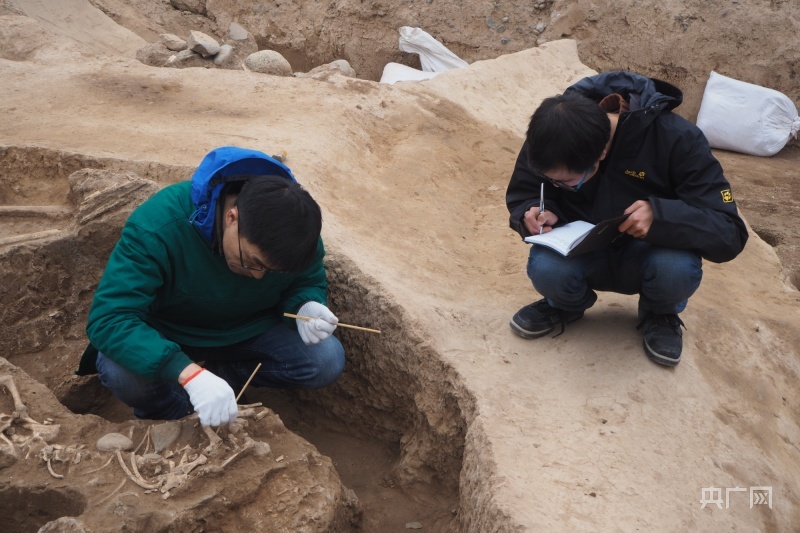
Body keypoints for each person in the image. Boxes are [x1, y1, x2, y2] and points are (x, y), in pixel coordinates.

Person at [77, 146, 345, 426]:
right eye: (252, 261)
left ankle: (221, 380)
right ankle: (177, 414)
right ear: (232, 217)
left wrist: (305, 305)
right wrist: (187, 373)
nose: (257, 277)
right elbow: (109, 319)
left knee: (326, 359)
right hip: (170, 334)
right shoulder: (159, 227)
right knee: (121, 371)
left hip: (249, 331)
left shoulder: (299, 235)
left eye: (271, 270)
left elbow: (306, 280)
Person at [506, 71, 748, 366]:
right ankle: (566, 305)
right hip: (582, 251)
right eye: (551, 180)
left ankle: (659, 314)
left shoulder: (677, 139)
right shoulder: (551, 134)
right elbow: (526, 192)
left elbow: (729, 233)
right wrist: (530, 211)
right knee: (545, 266)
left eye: (568, 182)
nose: (557, 186)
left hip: (650, 252)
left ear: (602, 152)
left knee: (676, 267)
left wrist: (662, 215)